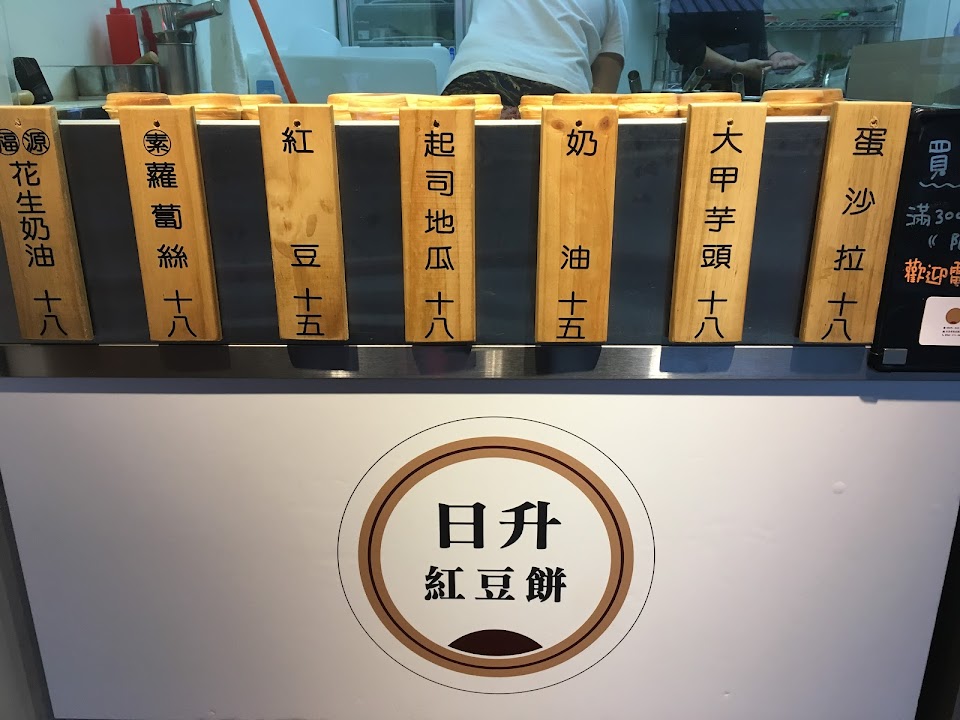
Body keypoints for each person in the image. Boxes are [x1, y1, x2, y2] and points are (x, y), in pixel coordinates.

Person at [442, 0, 629, 110]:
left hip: (474, 78)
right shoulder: (614, 5)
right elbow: (602, 96)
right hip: (559, 87)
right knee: (559, 166)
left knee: (458, 161)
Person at [666, 0, 805, 96]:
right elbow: (684, 46)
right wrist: (737, 67)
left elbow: (748, 32)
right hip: (708, 90)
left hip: (750, 91)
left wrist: (773, 54)